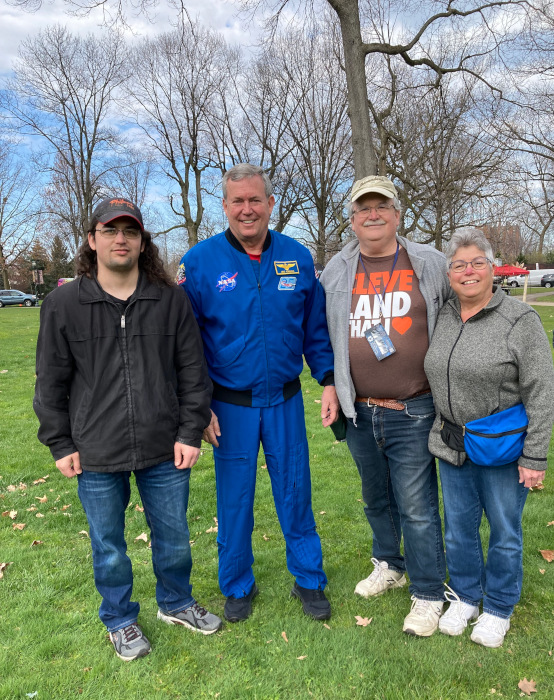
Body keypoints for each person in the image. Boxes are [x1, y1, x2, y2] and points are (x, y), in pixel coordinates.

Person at [34, 197, 222, 662]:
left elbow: (193, 372)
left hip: (165, 444)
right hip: (95, 448)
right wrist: (59, 443)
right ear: (93, 239)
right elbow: (50, 379)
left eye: (131, 231)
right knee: (109, 546)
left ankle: (176, 603)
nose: (121, 239)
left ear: (142, 242)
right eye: (111, 230)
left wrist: (188, 431)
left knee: (174, 536)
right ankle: (119, 619)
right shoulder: (63, 303)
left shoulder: (169, 300)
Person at [178, 164, 339, 622]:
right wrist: (200, 404)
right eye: (238, 201)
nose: (247, 209)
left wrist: (327, 379)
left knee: (295, 492)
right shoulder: (200, 263)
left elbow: (314, 330)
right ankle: (236, 584)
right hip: (230, 407)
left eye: (255, 200)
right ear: (225, 207)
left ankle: (309, 579)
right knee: (234, 501)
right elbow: (186, 346)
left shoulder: (297, 256)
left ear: (270, 203)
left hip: (285, 400)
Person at [320, 175, 449, 637]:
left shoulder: (430, 262)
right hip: (360, 411)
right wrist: (330, 383)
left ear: (397, 214)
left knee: (416, 505)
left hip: (414, 409)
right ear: (352, 219)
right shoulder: (337, 269)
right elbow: (322, 333)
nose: (372, 215)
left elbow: (459, 319)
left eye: (381, 206)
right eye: (363, 208)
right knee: (376, 499)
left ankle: (429, 593)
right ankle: (390, 565)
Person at [424, 227, 554, 648]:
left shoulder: (520, 320)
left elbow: (542, 390)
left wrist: (535, 457)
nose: (468, 271)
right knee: (459, 529)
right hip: (450, 441)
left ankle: (498, 605)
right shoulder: (442, 313)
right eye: (459, 264)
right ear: (449, 274)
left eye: (477, 262)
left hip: (500, 446)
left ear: (492, 268)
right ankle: (466, 596)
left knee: (504, 529)